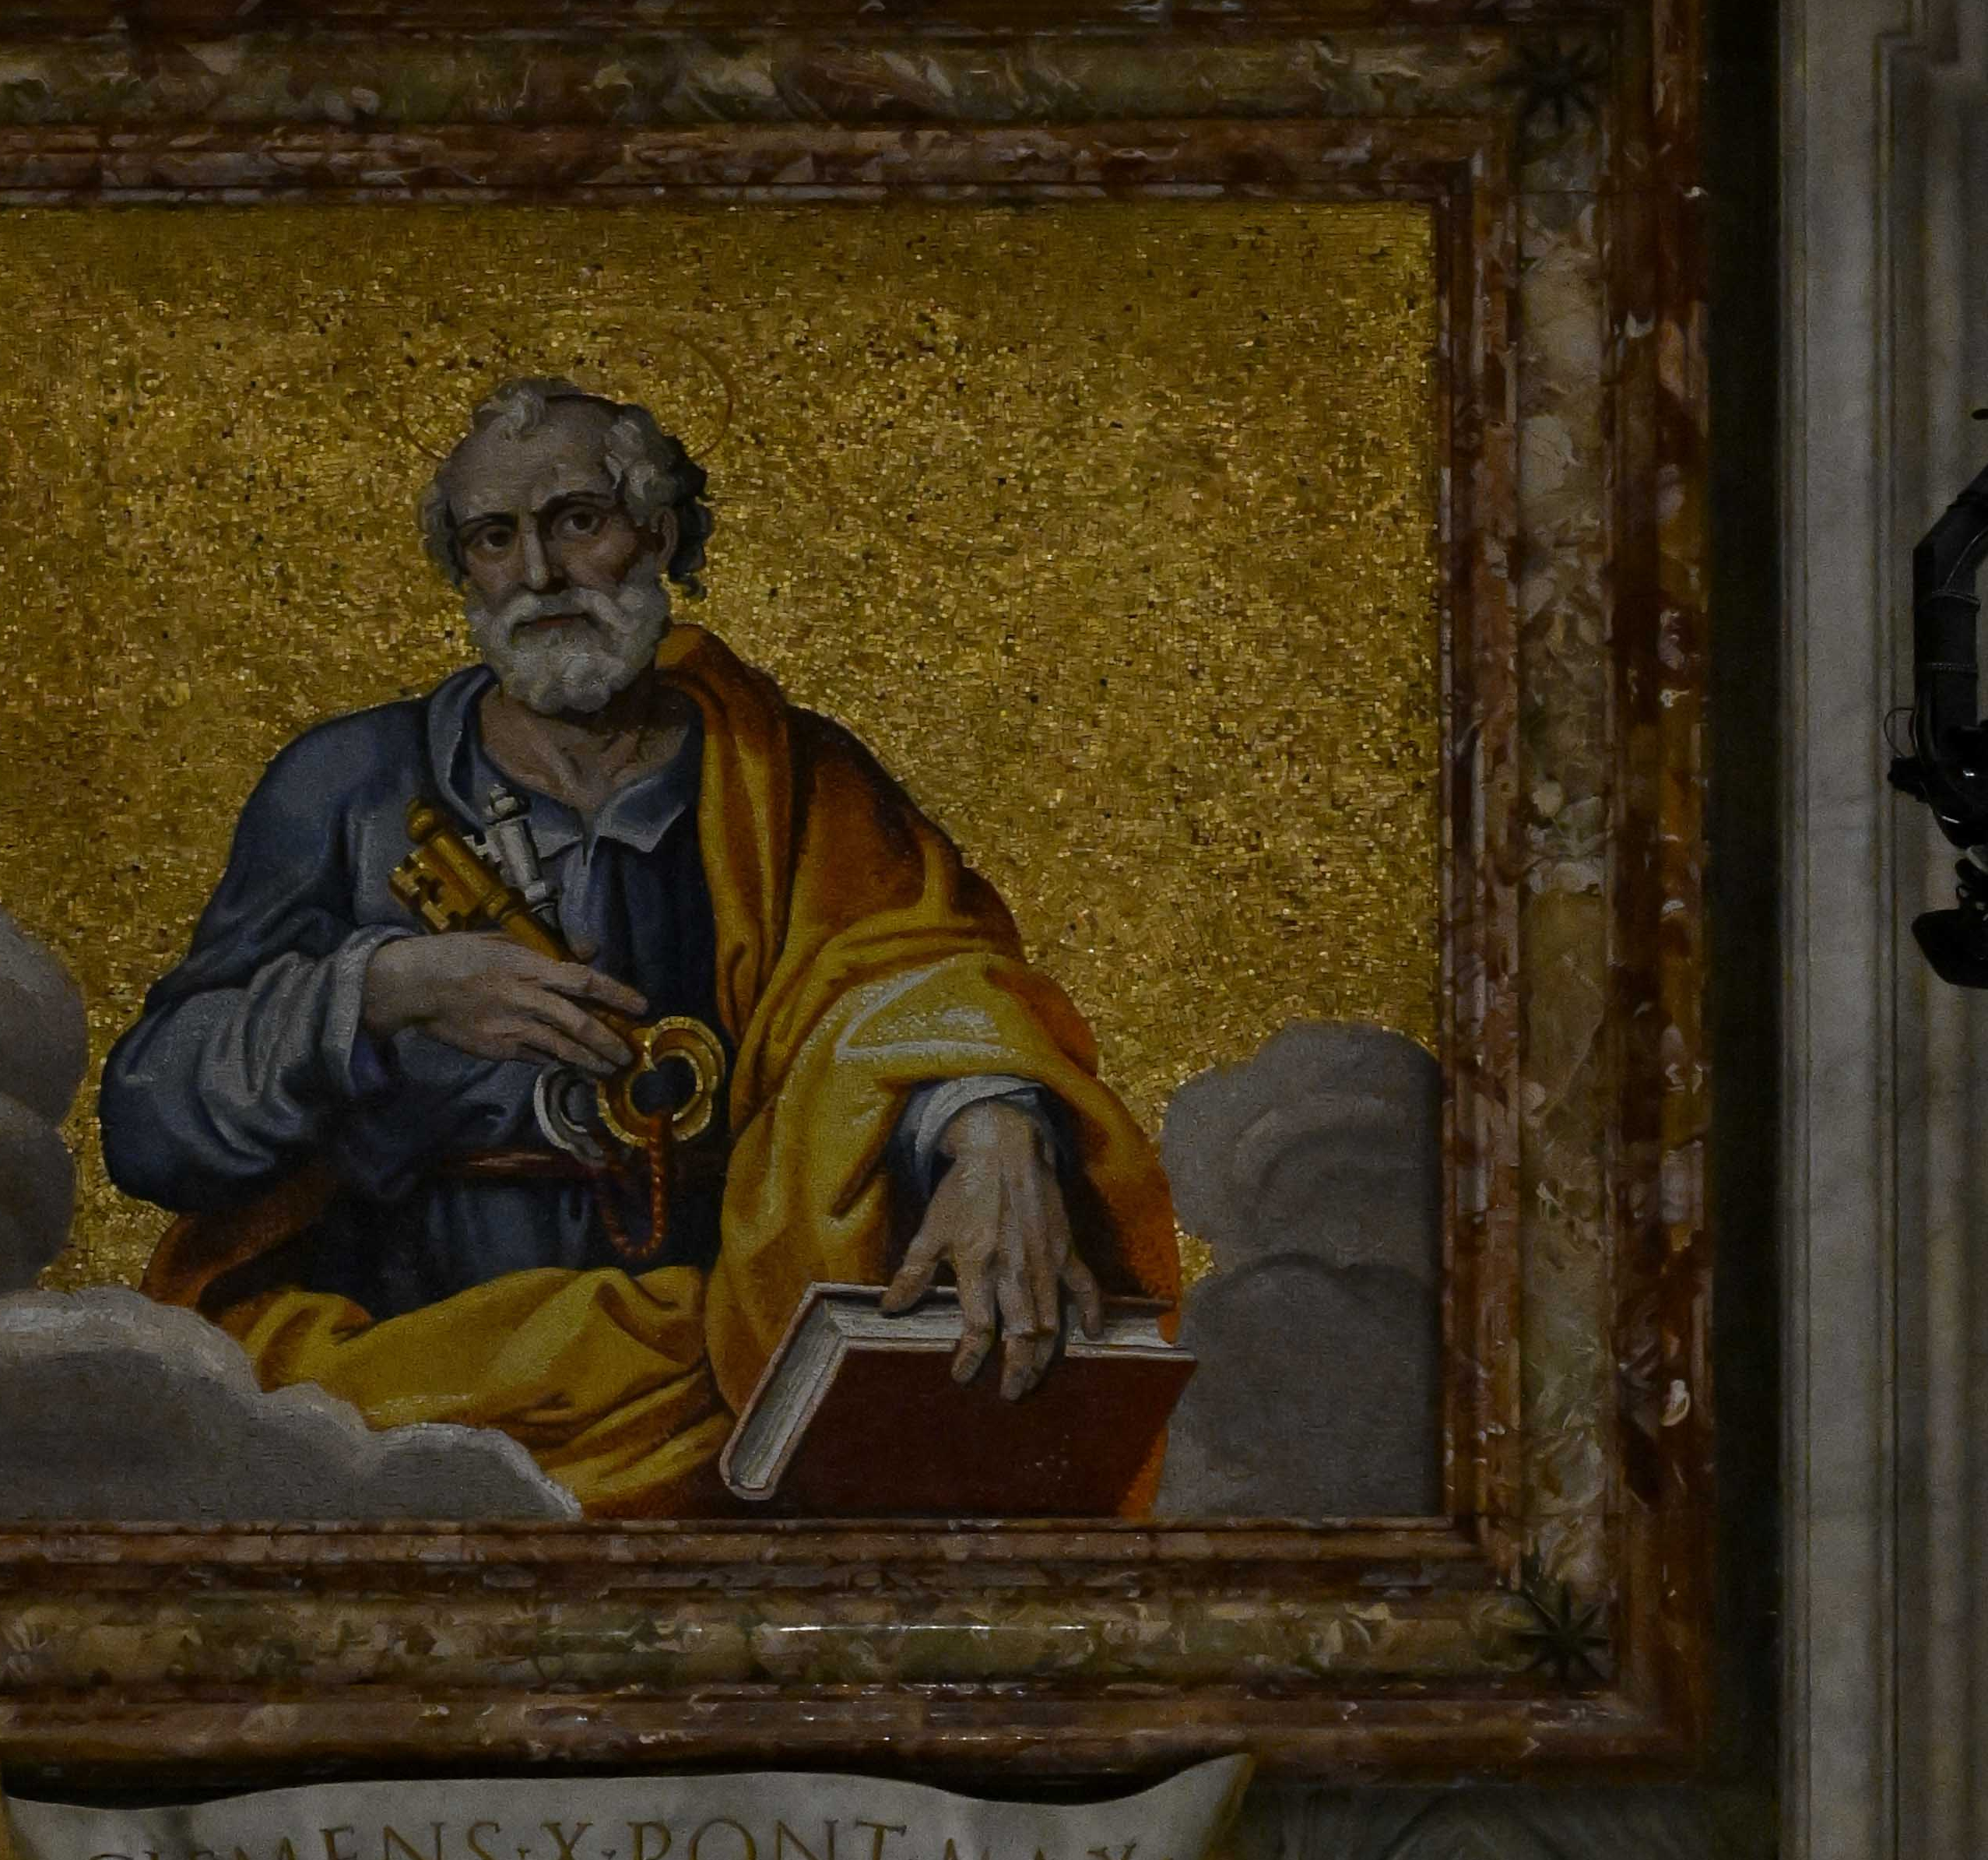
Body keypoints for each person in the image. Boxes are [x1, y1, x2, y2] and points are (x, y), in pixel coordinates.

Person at [100, 379, 1182, 1515]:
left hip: (733, 1364)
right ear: (462, 571)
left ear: (656, 532)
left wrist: (990, 1117)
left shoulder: (791, 779)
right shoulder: (346, 789)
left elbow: (924, 978)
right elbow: (151, 1119)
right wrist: (378, 990)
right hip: (402, 1372)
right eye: (493, 538)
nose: (539, 573)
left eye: (576, 519)